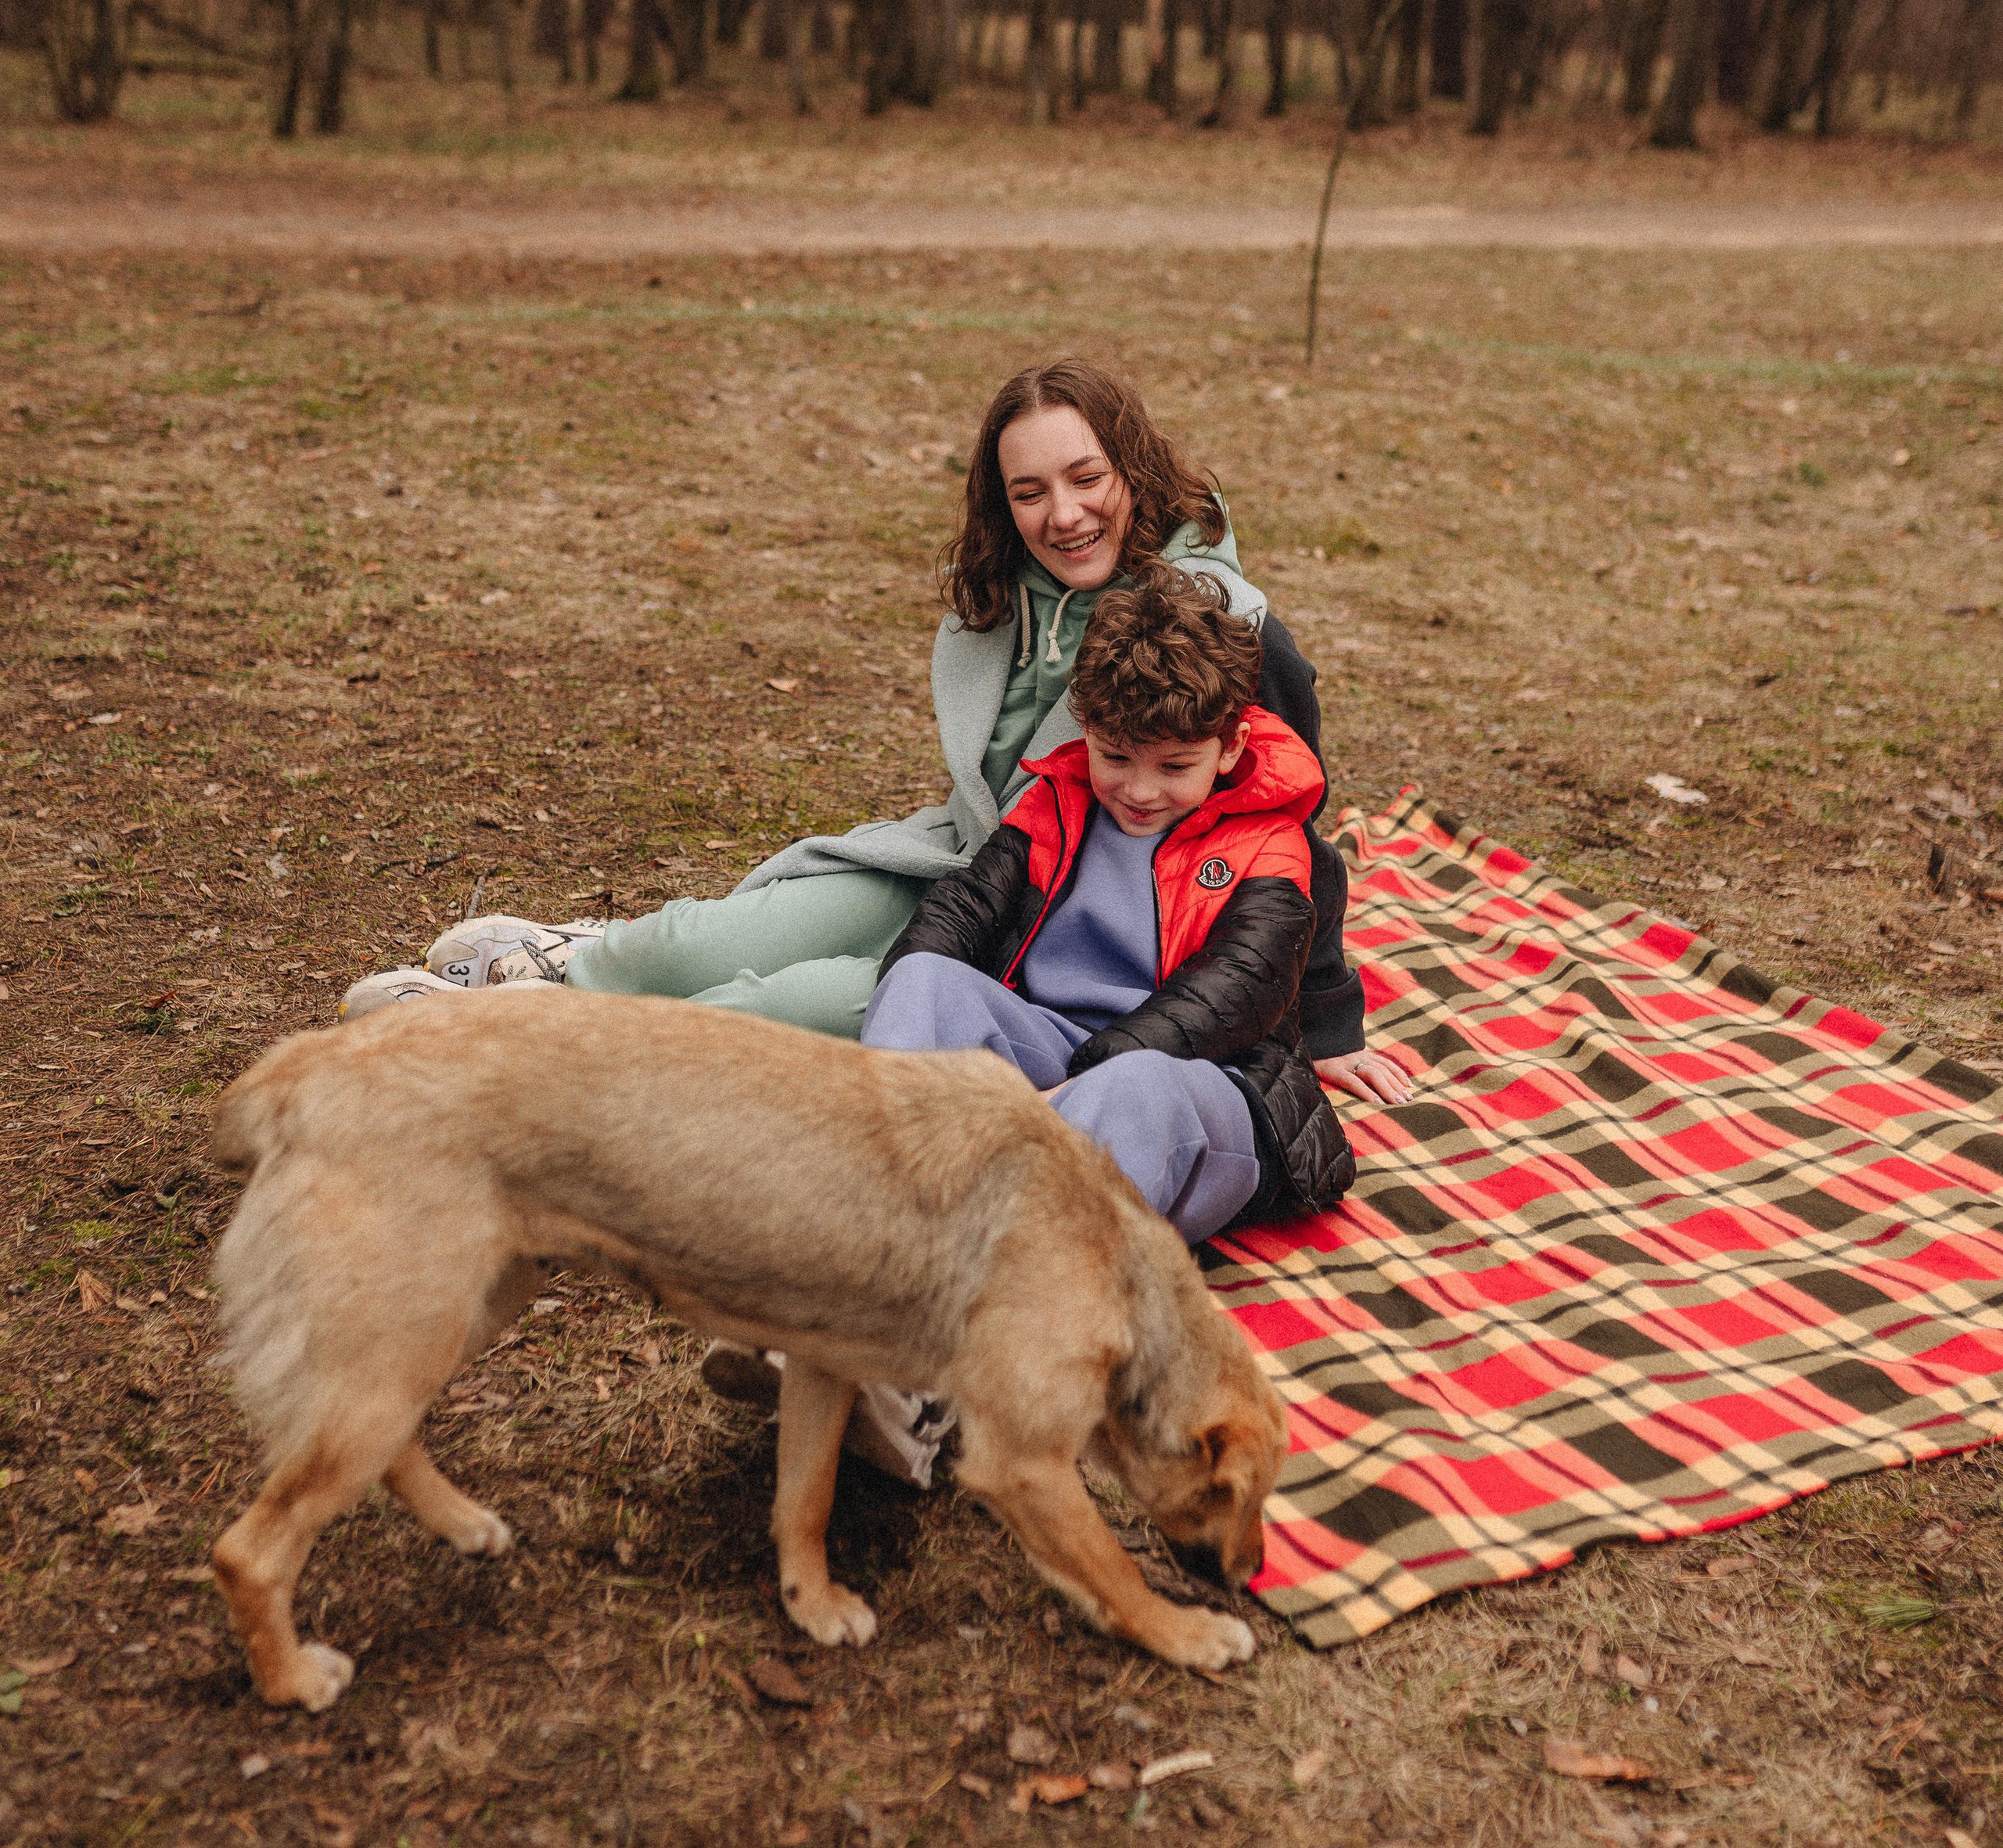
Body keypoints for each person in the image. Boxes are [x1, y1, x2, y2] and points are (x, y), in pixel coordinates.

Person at [340, 359, 1411, 1127]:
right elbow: (992, 795)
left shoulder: (1214, 622)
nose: (1065, 513)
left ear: (1131, 465)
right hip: (968, 859)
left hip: (1054, 937)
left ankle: (503, 1048)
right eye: (1029, 490)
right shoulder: (1014, 594)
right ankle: (566, 962)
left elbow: (1291, 820)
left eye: (1086, 477)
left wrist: (1326, 1020)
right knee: (702, 940)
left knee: (775, 1009)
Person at [861, 568, 1365, 1243]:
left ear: (1230, 747)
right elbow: (963, 909)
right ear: (1088, 727)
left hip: (1199, 1082)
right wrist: (917, 992)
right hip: (1055, 1043)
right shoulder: (1058, 799)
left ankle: (1021, 1263)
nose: (1139, 788)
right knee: (922, 979)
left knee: (1132, 1091)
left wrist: (1078, 1085)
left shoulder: (1268, 841)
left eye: (1174, 766)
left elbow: (1241, 988)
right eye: (1117, 755)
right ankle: (882, 1193)